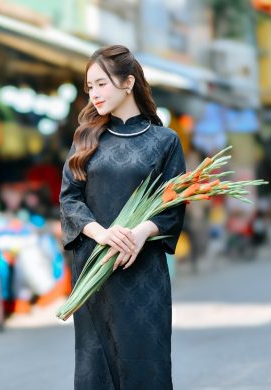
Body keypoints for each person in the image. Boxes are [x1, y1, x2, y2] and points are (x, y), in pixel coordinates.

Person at [59, 45, 186, 389]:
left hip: (142, 268)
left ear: (128, 82)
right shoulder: (86, 138)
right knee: (95, 362)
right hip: (94, 267)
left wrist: (140, 233)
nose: (94, 94)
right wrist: (102, 234)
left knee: (145, 358)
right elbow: (69, 199)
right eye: (90, 87)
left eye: (101, 84)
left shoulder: (165, 141)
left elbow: (173, 203)